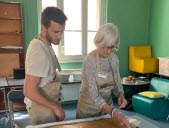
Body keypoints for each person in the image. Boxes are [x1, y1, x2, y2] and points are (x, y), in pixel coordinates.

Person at [76, 23, 131, 128]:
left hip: (107, 109)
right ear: (99, 42)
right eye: (106, 47)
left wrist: (120, 94)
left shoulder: (114, 59)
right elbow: (94, 95)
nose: (109, 51)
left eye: (112, 47)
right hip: (88, 109)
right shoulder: (89, 61)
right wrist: (114, 112)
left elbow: (117, 82)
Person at [24, 7, 67, 125]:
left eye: (62, 31)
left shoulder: (45, 44)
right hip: (41, 109)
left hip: (48, 106)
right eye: (56, 32)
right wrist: (55, 107)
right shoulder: (39, 50)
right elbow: (29, 91)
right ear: (43, 28)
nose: (60, 36)